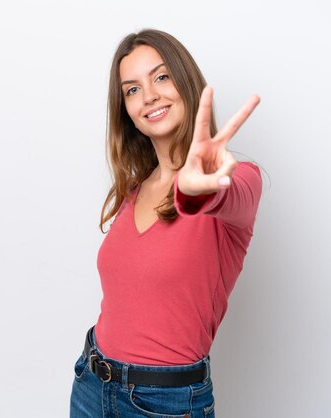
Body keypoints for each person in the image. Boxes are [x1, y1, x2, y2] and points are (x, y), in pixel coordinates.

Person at [69, 29, 262, 418]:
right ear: (126, 110)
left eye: (161, 77)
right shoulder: (133, 191)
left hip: (164, 404)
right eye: (132, 89)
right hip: (92, 384)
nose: (150, 96)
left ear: (185, 81)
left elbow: (224, 195)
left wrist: (195, 191)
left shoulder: (238, 178)